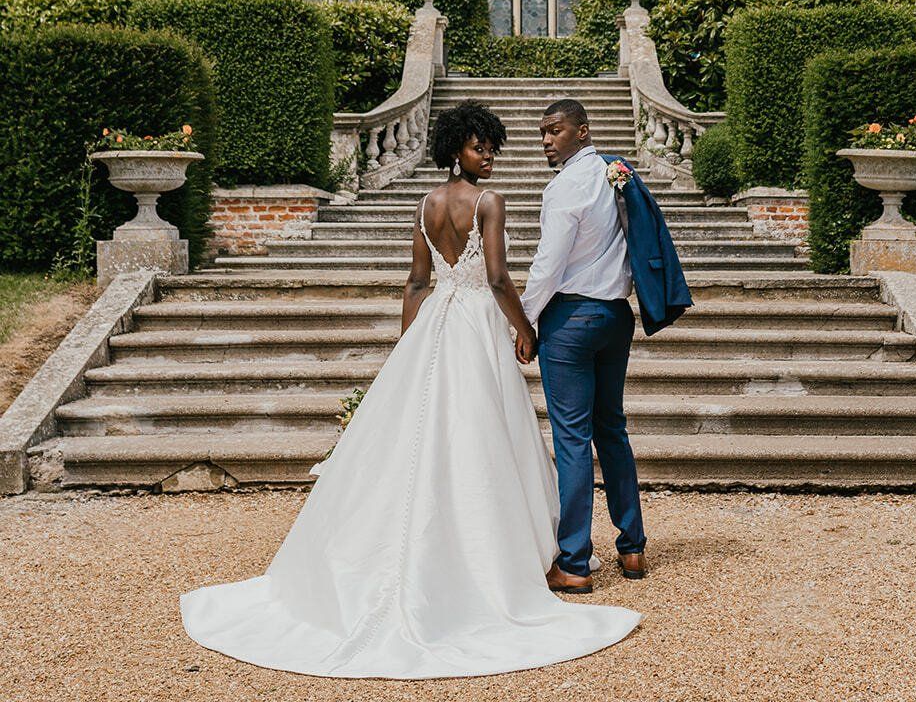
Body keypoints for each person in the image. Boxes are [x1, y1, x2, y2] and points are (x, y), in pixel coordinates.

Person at [180, 100, 640, 679]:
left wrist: (407, 348)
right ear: (456, 150)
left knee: (429, 432)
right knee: (481, 432)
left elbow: (417, 282)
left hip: (436, 326)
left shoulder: (426, 205)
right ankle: (500, 552)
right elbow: (498, 278)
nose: (490, 155)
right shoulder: (489, 202)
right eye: (480, 147)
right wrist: (525, 328)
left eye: (493, 145)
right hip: (476, 322)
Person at [519, 98, 647, 594]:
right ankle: (632, 548)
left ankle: (574, 561)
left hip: (572, 317)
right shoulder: (616, 173)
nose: (548, 141)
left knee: (573, 438)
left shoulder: (564, 187)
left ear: (582, 131)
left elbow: (549, 264)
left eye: (555, 131)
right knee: (611, 429)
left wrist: (525, 320)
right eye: (543, 134)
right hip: (616, 315)